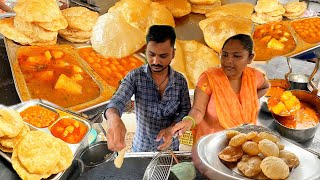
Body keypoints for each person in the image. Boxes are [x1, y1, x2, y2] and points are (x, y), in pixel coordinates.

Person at [104, 25, 191, 152]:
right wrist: (113, 119)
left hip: (170, 148)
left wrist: (172, 129)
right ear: (145, 50)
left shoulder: (180, 81)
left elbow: (185, 111)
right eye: (151, 54)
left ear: (173, 54)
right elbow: (117, 101)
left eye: (163, 56)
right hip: (141, 147)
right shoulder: (135, 76)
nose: (155, 61)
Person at [171, 34, 270, 143]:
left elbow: (265, 87)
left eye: (237, 56)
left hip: (244, 142)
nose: (228, 61)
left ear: (250, 58)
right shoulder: (209, 79)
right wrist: (188, 121)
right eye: (225, 55)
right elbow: (198, 110)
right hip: (211, 143)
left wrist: (250, 99)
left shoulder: (254, 76)